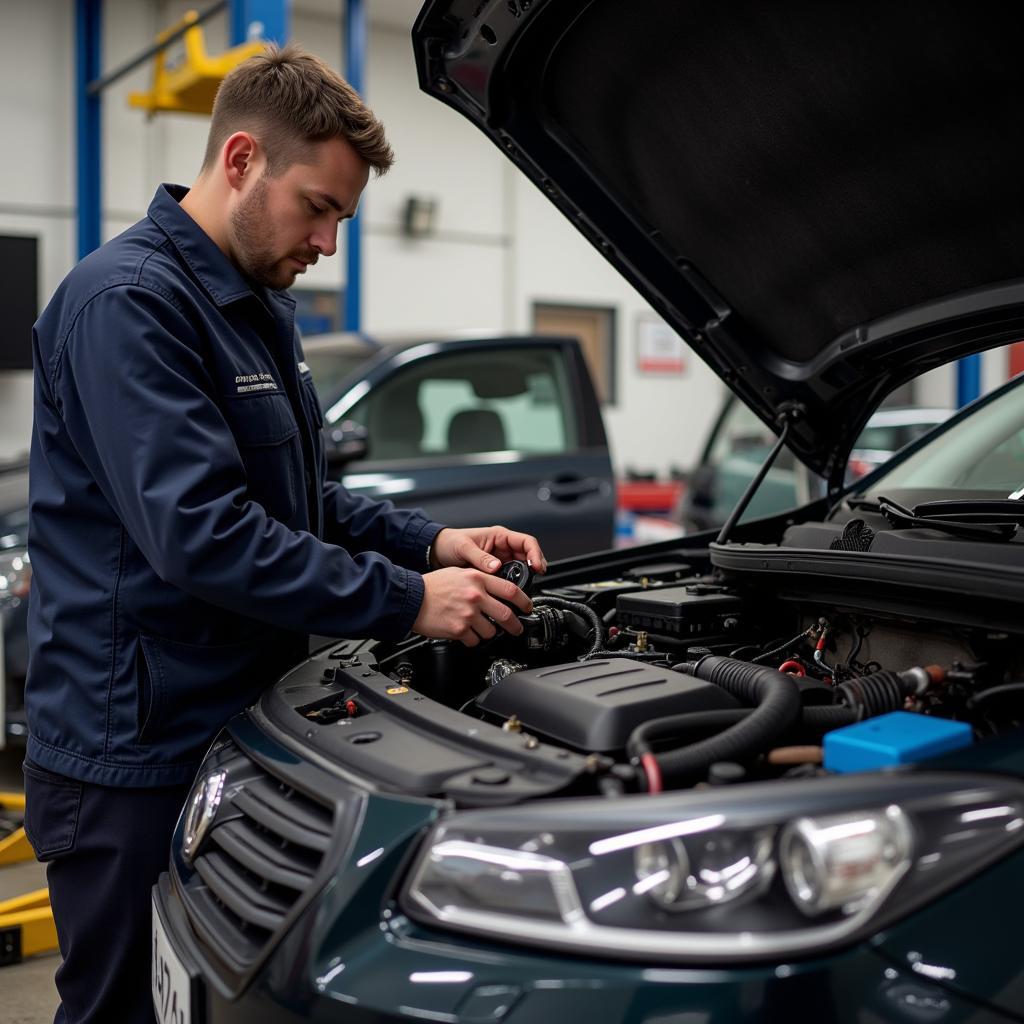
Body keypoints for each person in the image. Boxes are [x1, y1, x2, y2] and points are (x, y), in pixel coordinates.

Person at [23, 44, 546, 1024]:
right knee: (124, 1007)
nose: (329, 240)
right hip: (132, 754)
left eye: (342, 216)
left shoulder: (252, 305)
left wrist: (430, 545)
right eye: (319, 206)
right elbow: (205, 534)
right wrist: (407, 602)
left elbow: (300, 500)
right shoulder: (129, 305)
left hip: (227, 727)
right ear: (238, 162)